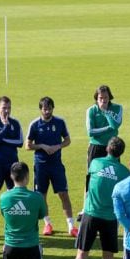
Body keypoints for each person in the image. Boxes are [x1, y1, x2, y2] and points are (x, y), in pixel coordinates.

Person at [67, 137, 130, 259]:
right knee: (108, 258)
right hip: (110, 218)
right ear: (121, 153)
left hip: (90, 215)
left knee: (81, 254)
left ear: (107, 149)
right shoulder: (124, 172)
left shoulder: (95, 163)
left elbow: (89, 184)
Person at [26, 96, 77, 237]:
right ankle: (47, 224)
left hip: (56, 164)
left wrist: (58, 146)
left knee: (63, 194)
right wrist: (42, 146)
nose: (47, 111)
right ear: (40, 109)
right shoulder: (35, 125)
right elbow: (27, 145)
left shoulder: (60, 122)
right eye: (44, 109)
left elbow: (67, 140)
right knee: (41, 195)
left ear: (53, 108)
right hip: (41, 165)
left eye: (49, 108)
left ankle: (71, 226)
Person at [0, 96, 24, 228]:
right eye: (4, 108)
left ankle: (13, 223)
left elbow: (20, 142)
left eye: (9, 108)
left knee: (13, 194)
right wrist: (5, 129)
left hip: (12, 164)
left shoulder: (16, 123)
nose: (6, 111)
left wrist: (2, 139)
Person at [83, 85, 123, 203]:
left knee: (113, 175)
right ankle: (86, 207)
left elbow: (115, 125)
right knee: (91, 176)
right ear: (96, 98)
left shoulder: (117, 108)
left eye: (105, 97)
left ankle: (114, 204)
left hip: (112, 147)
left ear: (109, 97)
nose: (103, 100)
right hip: (95, 146)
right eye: (100, 98)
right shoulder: (91, 110)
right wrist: (107, 128)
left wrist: (106, 112)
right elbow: (90, 132)